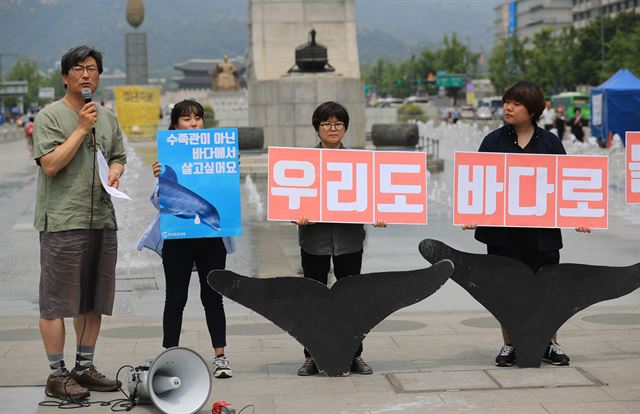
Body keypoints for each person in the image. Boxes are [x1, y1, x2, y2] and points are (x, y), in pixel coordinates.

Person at [462, 81, 590, 367]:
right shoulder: (493, 141)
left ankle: (550, 343)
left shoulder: (550, 143)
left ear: (532, 110)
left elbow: (565, 186)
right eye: (507, 101)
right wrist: (471, 213)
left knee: (547, 290)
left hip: (541, 235)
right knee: (505, 290)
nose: (508, 107)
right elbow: (479, 185)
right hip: (502, 236)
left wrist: (581, 216)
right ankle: (509, 345)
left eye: (516, 103)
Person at [33, 45, 126, 400]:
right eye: (77, 68)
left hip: (102, 217)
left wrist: (115, 171)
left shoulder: (107, 116)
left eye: (91, 68)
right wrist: (80, 128)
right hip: (62, 221)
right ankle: (57, 376)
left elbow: (118, 155)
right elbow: (51, 165)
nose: (85, 74)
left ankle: (84, 368)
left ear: (99, 75)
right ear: (65, 76)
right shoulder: (50, 116)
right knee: (56, 302)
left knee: (93, 299)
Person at [137, 100, 236, 379]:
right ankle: (169, 355)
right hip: (177, 239)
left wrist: (230, 167)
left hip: (210, 239)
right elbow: (158, 202)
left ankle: (220, 356)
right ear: (175, 125)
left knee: (213, 297)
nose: (193, 123)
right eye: (185, 119)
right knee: (175, 298)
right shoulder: (168, 157)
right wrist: (158, 178)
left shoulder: (217, 151)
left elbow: (225, 196)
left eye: (197, 118)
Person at [295, 101, 386, 377]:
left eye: (338, 124)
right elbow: (289, 200)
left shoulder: (361, 162)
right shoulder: (302, 164)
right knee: (313, 300)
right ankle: (312, 355)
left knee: (351, 300)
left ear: (345, 128)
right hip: (314, 239)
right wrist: (295, 216)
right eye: (326, 124)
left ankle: (354, 354)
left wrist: (379, 213)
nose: (332, 128)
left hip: (349, 240)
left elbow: (375, 196)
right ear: (317, 128)